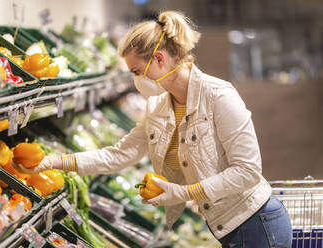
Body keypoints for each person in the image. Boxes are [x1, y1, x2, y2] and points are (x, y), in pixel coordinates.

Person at [15, 11, 292, 248]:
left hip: (258, 225)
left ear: (159, 59)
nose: (135, 80)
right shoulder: (159, 107)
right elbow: (118, 155)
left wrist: (183, 193)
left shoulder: (219, 96)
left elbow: (247, 171)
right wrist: (49, 162)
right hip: (226, 227)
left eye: (136, 71)